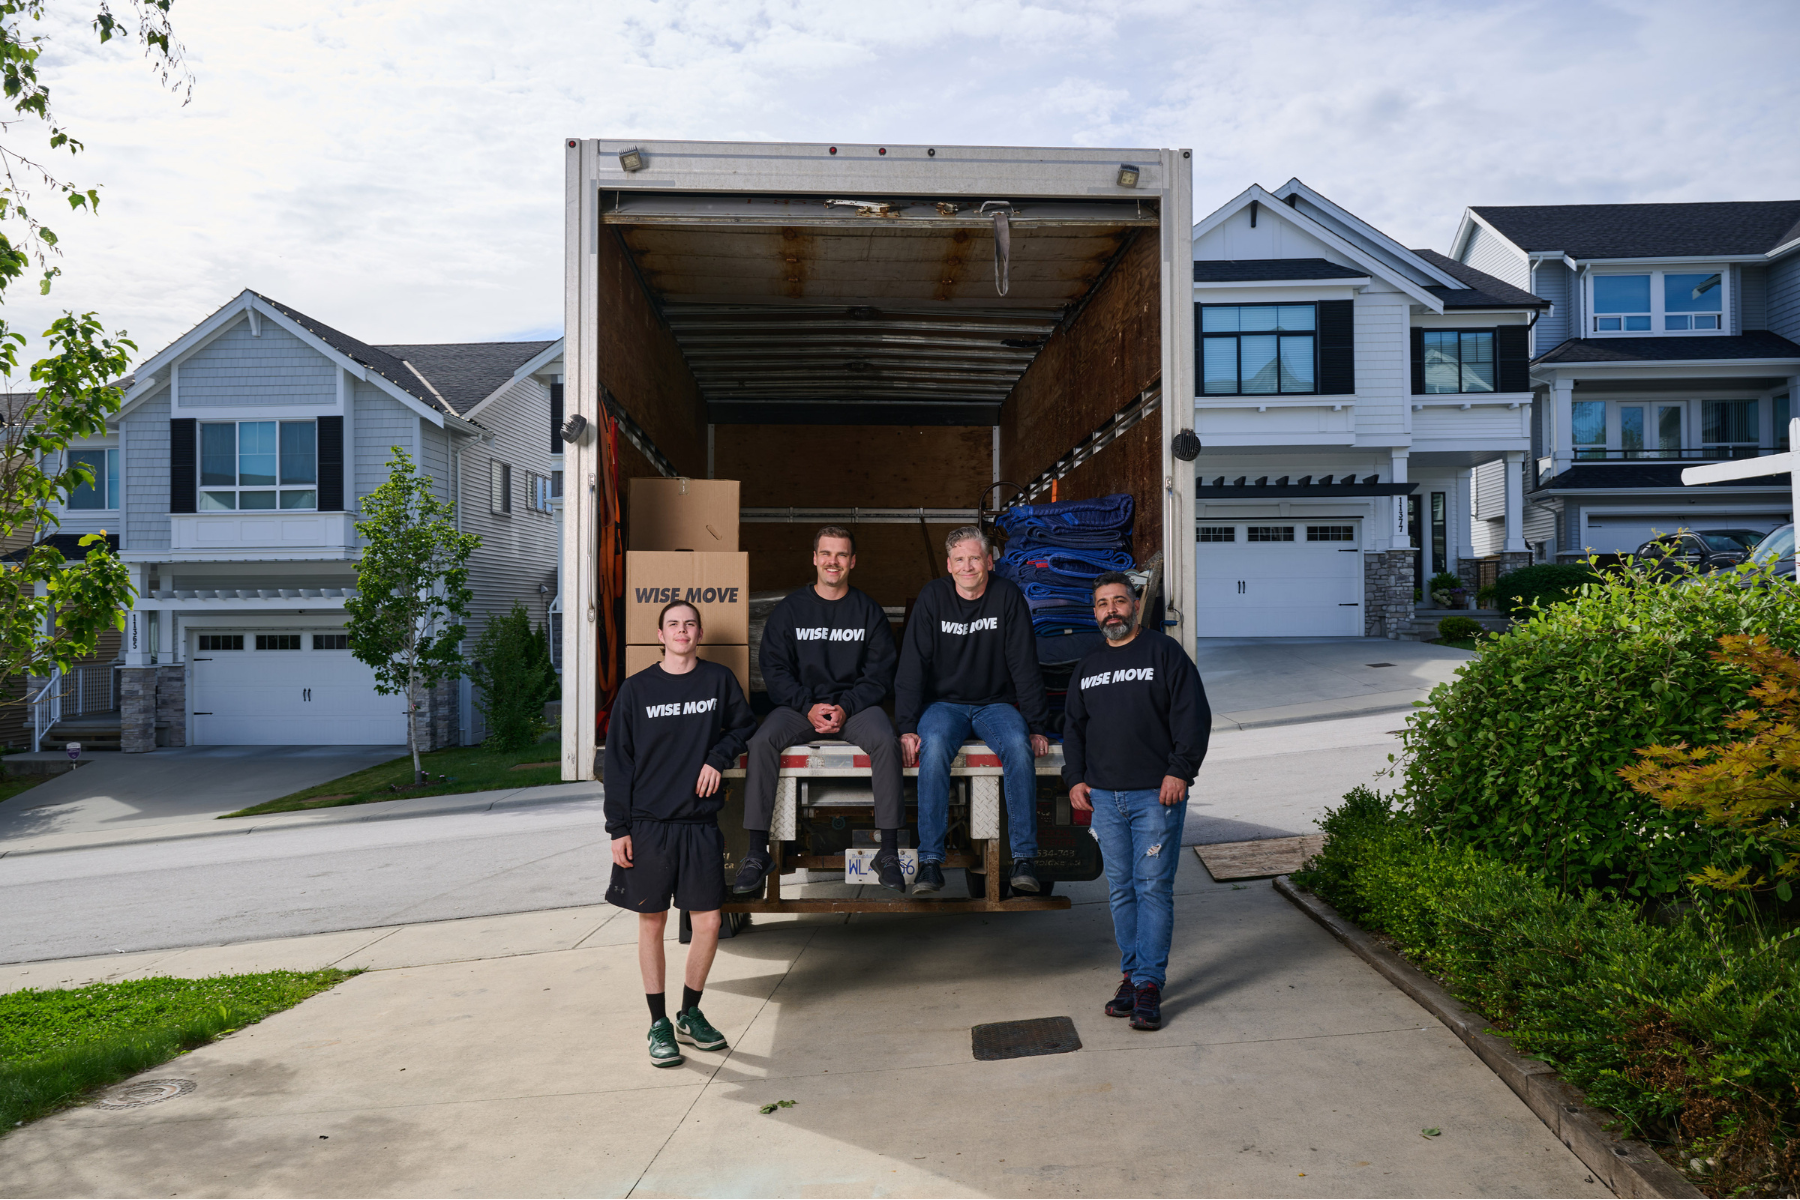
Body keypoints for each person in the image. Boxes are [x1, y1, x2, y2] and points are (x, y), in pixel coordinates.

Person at [604, 600, 757, 1068]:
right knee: (652, 922)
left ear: (700, 632)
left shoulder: (717, 681)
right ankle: (658, 1024)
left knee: (708, 922)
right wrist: (618, 828)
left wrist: (718, 756)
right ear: (660, 633)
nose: (682, 631)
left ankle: (689, 1013)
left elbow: (744, 727)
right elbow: (618, 763)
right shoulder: (636, 690)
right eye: (673, 624)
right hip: (648, 825)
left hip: (698, 824)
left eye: (689, 624)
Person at [1063, 571, 1210, 1032]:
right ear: (1095, 613)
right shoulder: (1087, 665)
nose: (1112, 610)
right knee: (1121, 889)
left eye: (1120, 601)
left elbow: (1193, 715)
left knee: (1152, 888)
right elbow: (1074, 727)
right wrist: (1074, 778)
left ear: (1134, 606)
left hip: (1155, 794)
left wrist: (1179, 770)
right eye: (1103, 603)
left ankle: (1149, 984)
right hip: (1104, 796)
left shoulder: (1164, 653)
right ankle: (1131, 975)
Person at [733, 526, 906, 895]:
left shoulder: (868, 611)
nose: (833, 561)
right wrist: (807, 706)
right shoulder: (791, 610)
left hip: (855, 709)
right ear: (814, 558)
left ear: (853, 562)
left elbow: (879, 676)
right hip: (800, 708)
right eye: (826, 554)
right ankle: (754, 853)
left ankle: (888, 851)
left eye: (841, 555)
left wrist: (844, 708)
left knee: (885, 740)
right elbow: (774, 668)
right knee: (762, 742)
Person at [896, 525, 1051, 895]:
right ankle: (930, 863)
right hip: (943, 706)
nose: (968, 566)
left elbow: (1024, 665)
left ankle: (1024, 860)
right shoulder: (932, 597)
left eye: (975, 558)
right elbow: (912, 665)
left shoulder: (1007, 596)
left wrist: (1035, 725)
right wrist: (906, 725)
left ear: (989, 562)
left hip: (994, 705)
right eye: (960, 559)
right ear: (949, 565)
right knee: (931, 749)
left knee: (1017, 746)